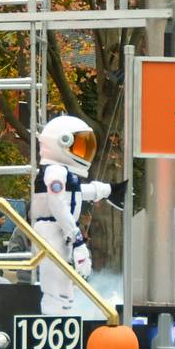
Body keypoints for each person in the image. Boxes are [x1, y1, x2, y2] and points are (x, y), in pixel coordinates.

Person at [29, 116, 120, 315]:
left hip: (58, 230)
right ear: (62, 143)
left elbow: (74, 194)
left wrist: (105, 190)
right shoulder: (55, 171)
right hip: (52, 230)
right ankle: (55, 323)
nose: (84, 152)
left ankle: (60, 320)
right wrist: (76, 238)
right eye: (78, 146)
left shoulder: (61, 172)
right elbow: (58, 204)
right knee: (57, 287)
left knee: (66, 286)